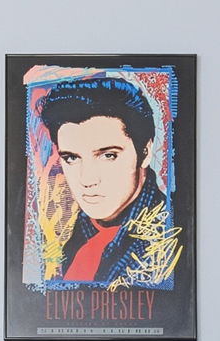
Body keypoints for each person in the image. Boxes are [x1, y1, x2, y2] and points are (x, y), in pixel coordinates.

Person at [36, 77, 181, 289]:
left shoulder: (167, 239)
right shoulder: (67, 226)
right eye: (71, 158)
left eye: (108, 156)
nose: (87, 179)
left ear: (146, 152)